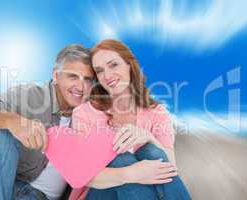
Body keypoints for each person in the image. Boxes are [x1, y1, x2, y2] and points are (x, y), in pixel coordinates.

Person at [0, 44, 95, 200]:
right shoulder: (30, 96)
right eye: (73, 76)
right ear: (56, 75)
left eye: (87, 79)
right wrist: (12, 121)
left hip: (36, 196)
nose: (81, 86)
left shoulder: (93, 115)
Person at [70, 39, 191, 200]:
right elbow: (80, 175)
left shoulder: (156, 112)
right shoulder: (85, 113)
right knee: (120, 157)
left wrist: (150, 137)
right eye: (99, 71)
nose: (107, 76)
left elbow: (171, 168)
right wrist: (131, 174)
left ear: (129, 64)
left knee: (151, 150)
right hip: (99, 194)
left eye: (113, 65)